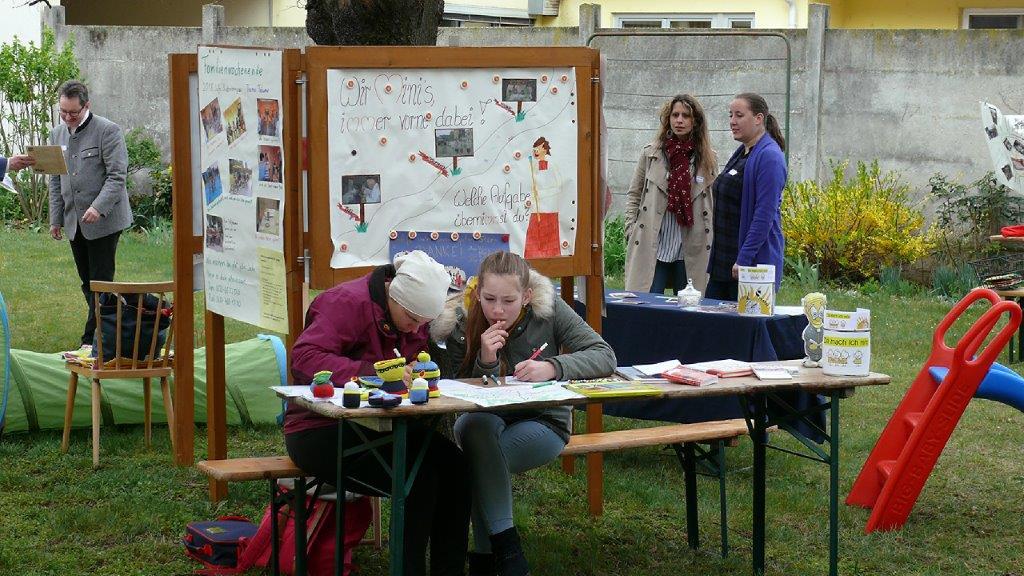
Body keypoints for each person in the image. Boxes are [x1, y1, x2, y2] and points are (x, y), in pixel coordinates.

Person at [285, 250, 470, 576]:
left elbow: (411, 362)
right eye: (411, 318)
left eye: (423, 323)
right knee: (419, 477)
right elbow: (305, 358)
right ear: (393, 295)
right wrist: (375, 373)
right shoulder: (344, 304)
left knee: (457, 468)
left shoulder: (411, 317)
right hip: (319, 429)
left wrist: (419, 374)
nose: (415, 329)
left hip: (385, 427)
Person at [431, 251, 617, 576]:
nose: (497, 310)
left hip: (544, 421)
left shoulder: (548, 309)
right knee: (473, 428)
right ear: (477, 293)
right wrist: (486, 361)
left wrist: (553, 367)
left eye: (509, 301)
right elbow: (457, 393)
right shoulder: (461, 321)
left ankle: (488, 559)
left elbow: (604, 355)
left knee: (478, 461)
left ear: (527, 296)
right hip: (485, 423)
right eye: (489, 299)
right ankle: (507, 555)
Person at [48, 80, 133, 354]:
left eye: (73, 112)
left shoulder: (108, 131)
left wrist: (98, 207)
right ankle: (117, 326)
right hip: (75, 222)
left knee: (101, 281)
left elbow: (117, 176)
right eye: (63, 112)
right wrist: (56, 219)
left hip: (105, 220)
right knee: (87, 282)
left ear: (87, 106)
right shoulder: (56, 135)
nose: (67, 117)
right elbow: (55, 180)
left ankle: (91, 340)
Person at [623, 94, 717, 295]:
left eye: (686, 116)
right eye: (675, 115)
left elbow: (712, 202)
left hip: (690, 246)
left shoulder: (708, 158)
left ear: (695, 121)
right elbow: (634, 194)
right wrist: (631, 230)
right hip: (654, 243)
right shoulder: (651, 153)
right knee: (645, 303)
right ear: (668, 119)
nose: (679, 120)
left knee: (688, 306)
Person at [705, 92, 787, 302]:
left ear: (758, 118)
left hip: (749, 267)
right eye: (730, 115)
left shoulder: (769, 157)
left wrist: (744, 258)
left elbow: (764, 215)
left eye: (739, 115)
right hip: (723, 264)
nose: (732, 121)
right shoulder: (742, 152)